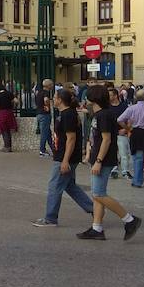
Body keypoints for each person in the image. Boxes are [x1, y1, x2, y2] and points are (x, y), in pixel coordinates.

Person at [75, 85, 143, 241]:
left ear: (94, 99)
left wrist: (98, 160)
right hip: (100, 158)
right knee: (97, 194)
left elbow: (106, 139)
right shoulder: (100, 114)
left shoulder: (103, 116)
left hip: (103, 159)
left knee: (99, 194)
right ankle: (97, 228)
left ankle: (129, 219)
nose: (85, 99)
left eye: (88, 96)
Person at [32, 89, 94, 227]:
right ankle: (93, 208)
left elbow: (71, 139)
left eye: (55, 97)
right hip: (65, 155)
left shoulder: (68, 115)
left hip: (65, 157)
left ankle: (50, 218)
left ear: (60, 99)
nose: (53, 99)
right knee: (69, 186)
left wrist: (65, 160)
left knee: (54, 186)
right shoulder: (66, 114)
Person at [108, 87, 132, 180]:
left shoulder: (124, 106)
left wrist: (126, 129)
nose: (108, 97)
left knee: (124, 153)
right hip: (110, 133)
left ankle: (125, 171)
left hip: (121, 133)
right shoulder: (107, 107)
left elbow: (130, 119)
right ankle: (113, 170)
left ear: (115, 96)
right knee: (112, 153)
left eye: (110, 95)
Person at [0, 84, 17, 152]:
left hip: (2, 113)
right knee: (8, 130)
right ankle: (9, 146)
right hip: (10, 113)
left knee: (4, 130)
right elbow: (16, 101)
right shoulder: (9, 93)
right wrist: (12, 105)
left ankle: (6, 147)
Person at [36, 79, 55, 158]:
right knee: (44, 133)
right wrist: (47, 106)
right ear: (49, 85)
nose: (53, 86)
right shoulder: (46, 93)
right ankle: (42, 151)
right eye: (52, 84)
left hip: (39, 114)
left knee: (48, 133)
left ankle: (53, 149)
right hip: (45, 114)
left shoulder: (39, 92)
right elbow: (46, 100)